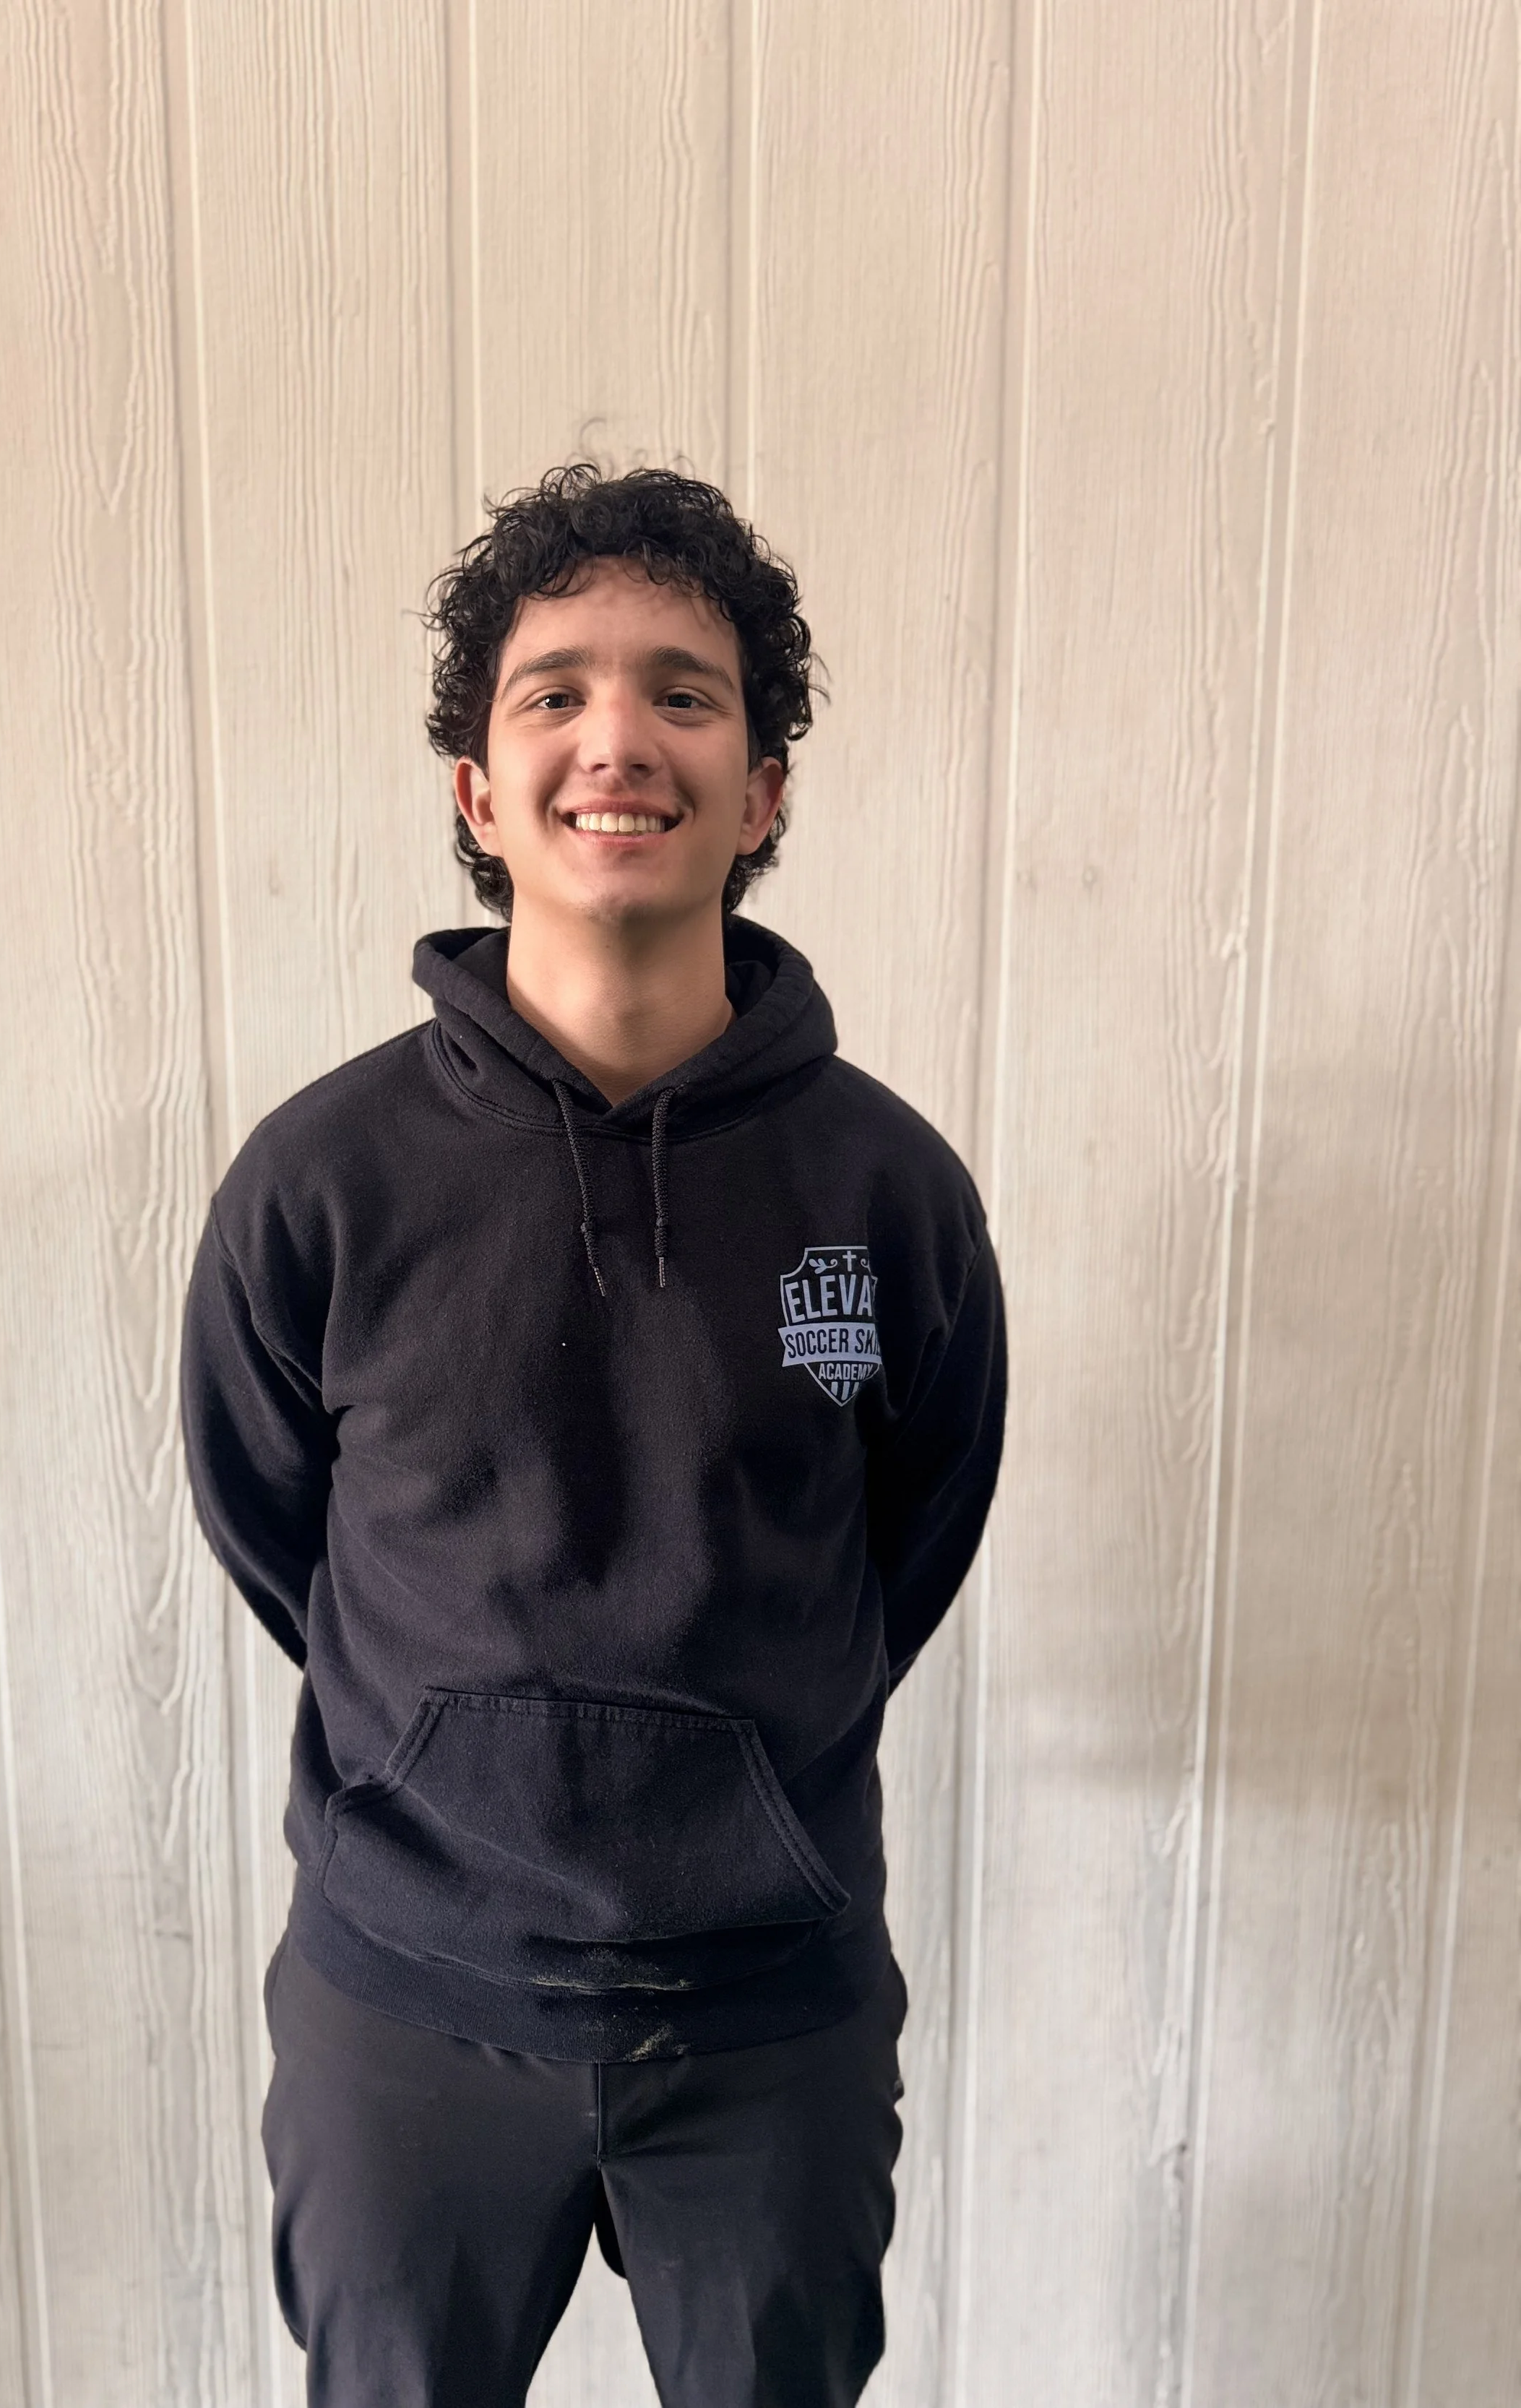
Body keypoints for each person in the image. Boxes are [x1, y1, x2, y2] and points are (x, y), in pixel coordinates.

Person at [178, 460, 1007, 2408]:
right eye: (552, 690)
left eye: (682, 691)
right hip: (408, 2005)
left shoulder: (882, 1187)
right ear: (478, 790)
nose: (614, 735)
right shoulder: (323, 1180)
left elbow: (912, 1529)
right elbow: (268, 1520)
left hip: (768, 2014)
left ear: (764, 784)